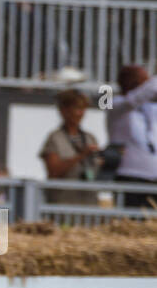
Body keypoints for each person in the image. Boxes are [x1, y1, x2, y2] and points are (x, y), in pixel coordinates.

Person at [106, 64, 157, 210]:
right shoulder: (114, 104)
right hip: (129, 175)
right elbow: (133, 100)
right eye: (143, 81)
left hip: (153, 176)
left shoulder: (149, 107)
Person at [40, 89, 101, 208]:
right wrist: (81, 156)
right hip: (63, 204)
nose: (80, 113)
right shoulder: (55, 138)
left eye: (83, 109)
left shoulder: (90, 138)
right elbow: (53, 172)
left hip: (89, 204)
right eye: (76, 108)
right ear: (64, 111)